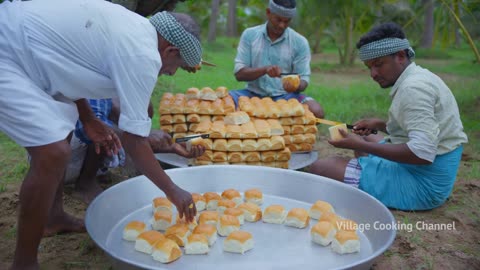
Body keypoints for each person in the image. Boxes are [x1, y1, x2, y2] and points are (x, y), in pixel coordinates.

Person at [0, 0, 202, 269]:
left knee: (63, 135)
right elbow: (133, 140)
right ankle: (24, 264)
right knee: (52, 153)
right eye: (176, 65)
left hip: (32, 53)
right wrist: (173, 191)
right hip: (9, 49)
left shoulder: (133, 28)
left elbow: (71, 63)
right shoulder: (142, 54)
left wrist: (87, 117)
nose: (171, 71)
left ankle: (52, 217)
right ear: (171, 49)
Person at [308, 22, 468, 211]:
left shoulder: (414, 89)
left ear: (400, 56)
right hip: (424, 167)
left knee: (319, 168)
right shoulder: (419, 76)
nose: (373, 74)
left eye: (378, 65)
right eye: (369, 67)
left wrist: (358, 145)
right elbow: (422, 129)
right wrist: (379, 124)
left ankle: (368, 174)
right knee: (365, 135)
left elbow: (422, 154)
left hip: (423, 184)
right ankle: (367, 171)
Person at [68, 98, 205, 204]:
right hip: (71, 150)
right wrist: (142, 138)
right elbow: (94, 127)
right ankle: (85, 183)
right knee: (113, 123)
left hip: (88, 140)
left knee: (139, 108)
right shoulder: (94, 78)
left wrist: (169, 148)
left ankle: (101, 168)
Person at [229, 0, 325, 118]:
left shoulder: (300, 42)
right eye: (278, 20)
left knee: (316, 111)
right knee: (221, 103)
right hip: (252, 94)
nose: (282, 25)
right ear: (268, 13)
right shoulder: (250, 35)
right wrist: (264, 70)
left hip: (286, 97)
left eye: (287, 21)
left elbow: (304, 80)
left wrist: (295, 85)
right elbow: (239, 74)